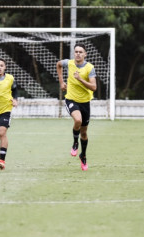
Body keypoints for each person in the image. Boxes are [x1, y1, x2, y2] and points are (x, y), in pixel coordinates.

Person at [56, 43, 97, 171]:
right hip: (71, 99)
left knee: (84, 133)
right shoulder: (69, 63)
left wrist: (80, 79)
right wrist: (62, 82)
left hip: (85, 102)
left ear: (85, 54)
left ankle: (83, 156)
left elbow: (93, 87)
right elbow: (58, 64)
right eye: (76, 51)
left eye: (81, 52)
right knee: (77, 120)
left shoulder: (90, 68)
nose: (78, 54)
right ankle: (75, 143)